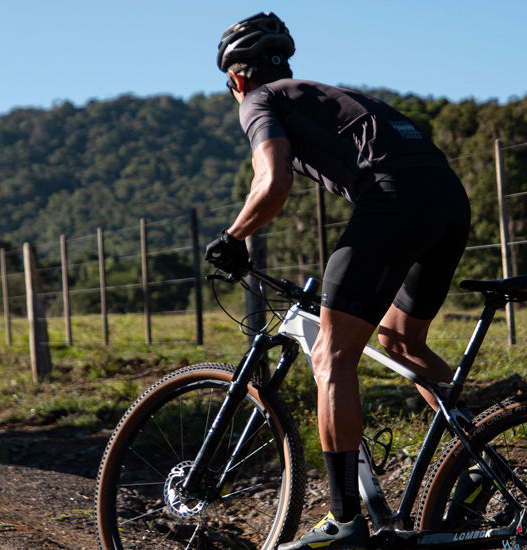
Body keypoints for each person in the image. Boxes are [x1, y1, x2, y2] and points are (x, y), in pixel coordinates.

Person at [205, 12, 471, 550]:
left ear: (236, 79)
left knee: (332, 354)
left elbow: (272, 181)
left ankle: (346, 520)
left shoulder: (260, 100)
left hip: (393, 201)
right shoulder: (319, 93)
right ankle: (481, 453)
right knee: (399, 341)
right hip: (448, 199)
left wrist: (232, 237)